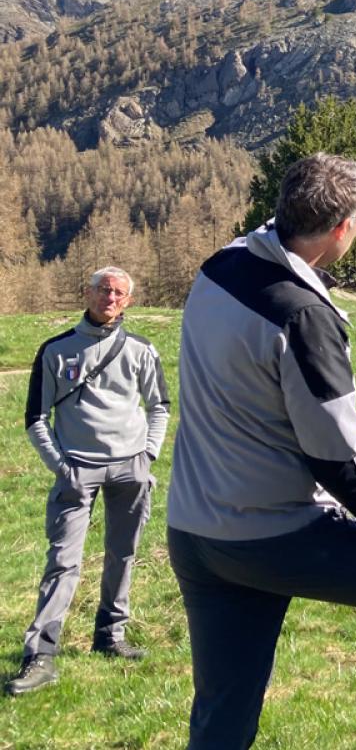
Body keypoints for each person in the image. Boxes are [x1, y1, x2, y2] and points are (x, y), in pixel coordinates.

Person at [167, 153, 356, 749]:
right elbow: (338, 459)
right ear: (345, 228)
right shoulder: (303, 317)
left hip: (195, 532)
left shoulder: (220, 266)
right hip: (272, 535)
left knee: (222, 718)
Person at [7, 267, 169, 696]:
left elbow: (160, 406)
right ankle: (40, 654)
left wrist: (148, 454)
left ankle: (110, 636)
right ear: (88, 293)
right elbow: (35, 419)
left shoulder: (141, 349)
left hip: (130, 469)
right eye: (102, 290)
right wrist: (61, 467)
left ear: (128, 301)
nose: (109, 297)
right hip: (76, 471)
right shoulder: (56, 350)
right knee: (63, 560)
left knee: (124, 554)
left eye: (118, 292)